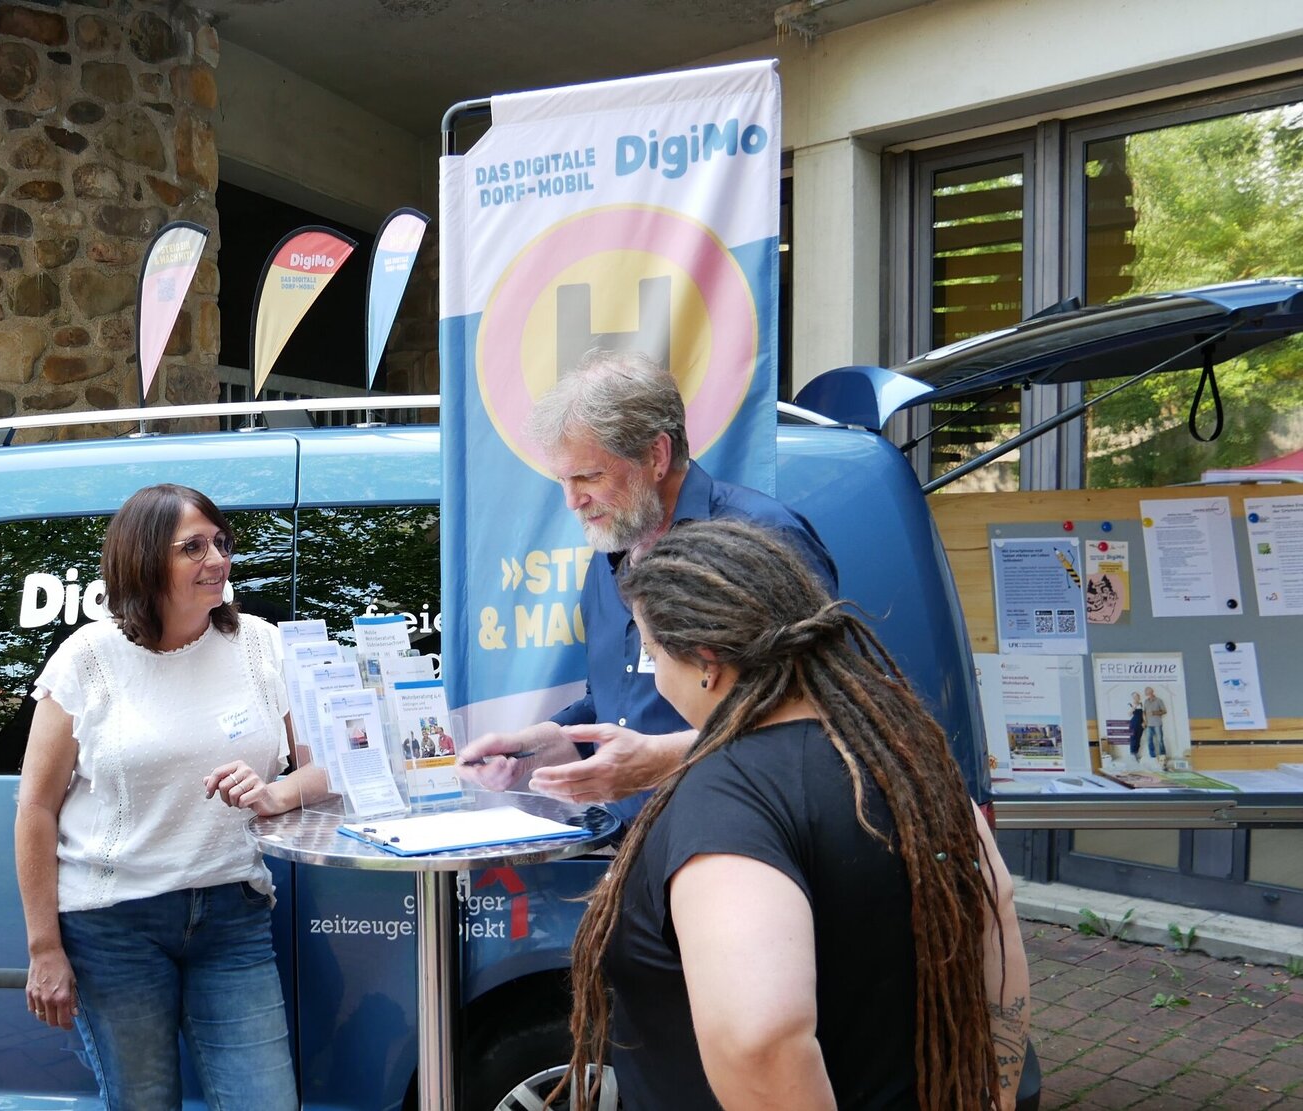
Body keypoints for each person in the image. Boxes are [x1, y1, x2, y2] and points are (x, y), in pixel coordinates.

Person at [560, 519, 1030, 1110]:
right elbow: (996, 920)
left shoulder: (727, 796)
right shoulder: (906, 756)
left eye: (653, 654)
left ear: (707, 662)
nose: (654, 672)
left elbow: (760, 1040)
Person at [15, 483, 326, 1111]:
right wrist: (44, 947)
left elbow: (330, 768)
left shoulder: (260, 644)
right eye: (193, 548)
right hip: (113, 925)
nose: (216, 560)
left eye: (220, 543)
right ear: (144, 561)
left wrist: (275, 793)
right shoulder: (89, 657)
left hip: (232, 911)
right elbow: (36, 808)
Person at [458, 349, 836, 818]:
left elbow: (817, 716)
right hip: (631, 851)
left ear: (657, 455)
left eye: (589, 476)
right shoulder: (612, 551)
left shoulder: (760, 538)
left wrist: (658, 761)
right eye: (562, 480)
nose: (573, 501)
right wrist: (533, 748)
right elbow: (614, 705)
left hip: (740, 842)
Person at [1142, 686, 1169, 764]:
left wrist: (1154, 712)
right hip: (1148, 724)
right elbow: (1144, 712)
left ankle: (1162, 757)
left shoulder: (1159, 700)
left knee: (1160, 740)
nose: (1147, 695)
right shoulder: (1146, 701)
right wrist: (1144, 721)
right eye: (1146, 693)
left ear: (1152, 692)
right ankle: (1152, 757)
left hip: (1157, 723)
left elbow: (1164, 711)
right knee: (1149, 741)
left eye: (1148, 693)